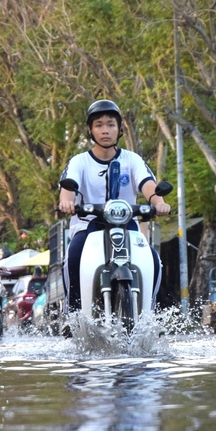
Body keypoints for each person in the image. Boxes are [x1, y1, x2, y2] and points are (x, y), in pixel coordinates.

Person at [58, 100, 170, 319]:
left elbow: (148, 186)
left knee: (154, 259)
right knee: (73, 256)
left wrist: (159, 203)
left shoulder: (132, 159)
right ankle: (72, 312)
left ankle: (150, 312)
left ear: (119, 128)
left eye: (110, 124)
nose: (105, 130)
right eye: (99, 125)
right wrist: (67, 202)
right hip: (88, 224)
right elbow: (67, 187)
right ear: (90, 130)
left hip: (127, 225)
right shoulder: (79, 161)